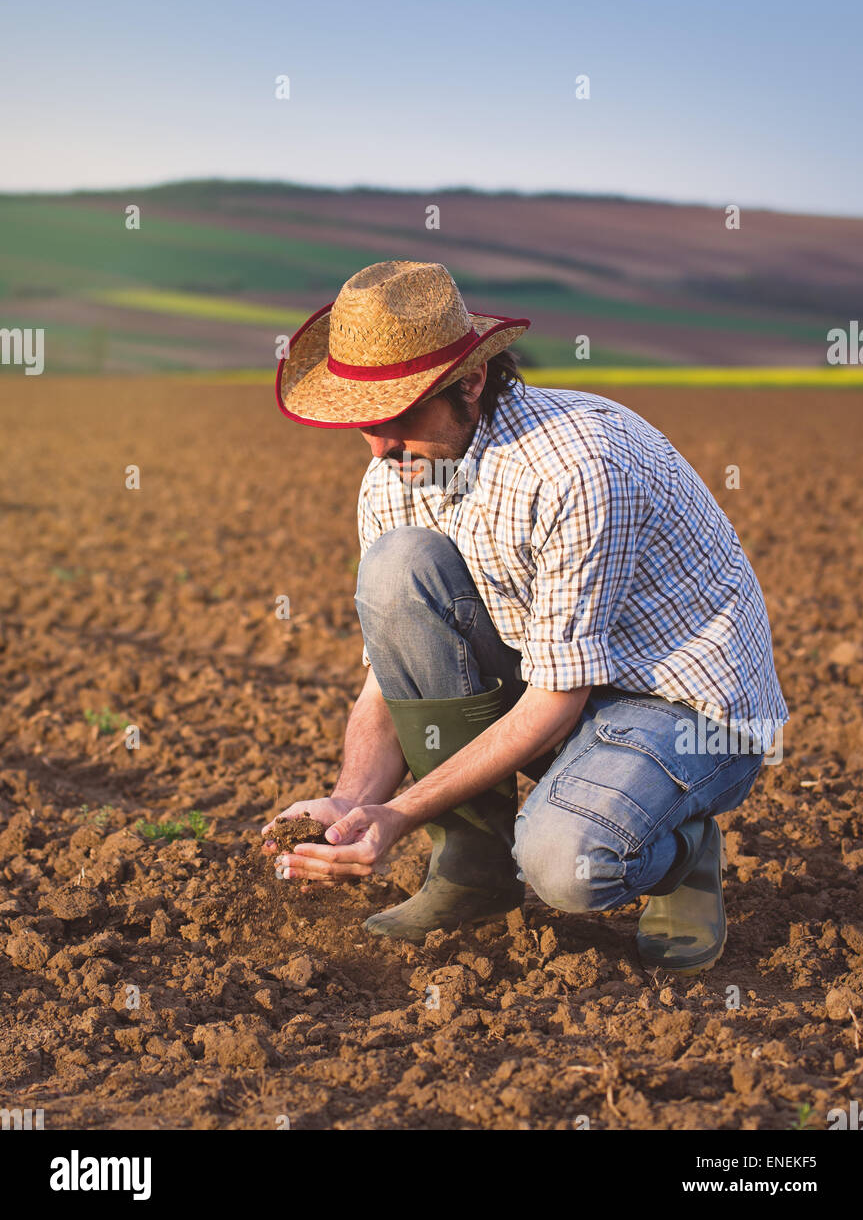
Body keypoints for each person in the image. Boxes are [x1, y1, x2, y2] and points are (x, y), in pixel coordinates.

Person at [263, 260, 788, 975]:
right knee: (396, 565)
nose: (379, 448)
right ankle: (471, 872)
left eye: (398, 418)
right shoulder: (397, 473)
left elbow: (554, 700)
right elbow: (392, 675)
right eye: (363, 426)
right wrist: (350, 801)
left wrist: (401, 814)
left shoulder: (576, 466)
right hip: (558, 678)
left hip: (683, 706)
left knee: (566, 867)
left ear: (471, 382)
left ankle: (682, 856)